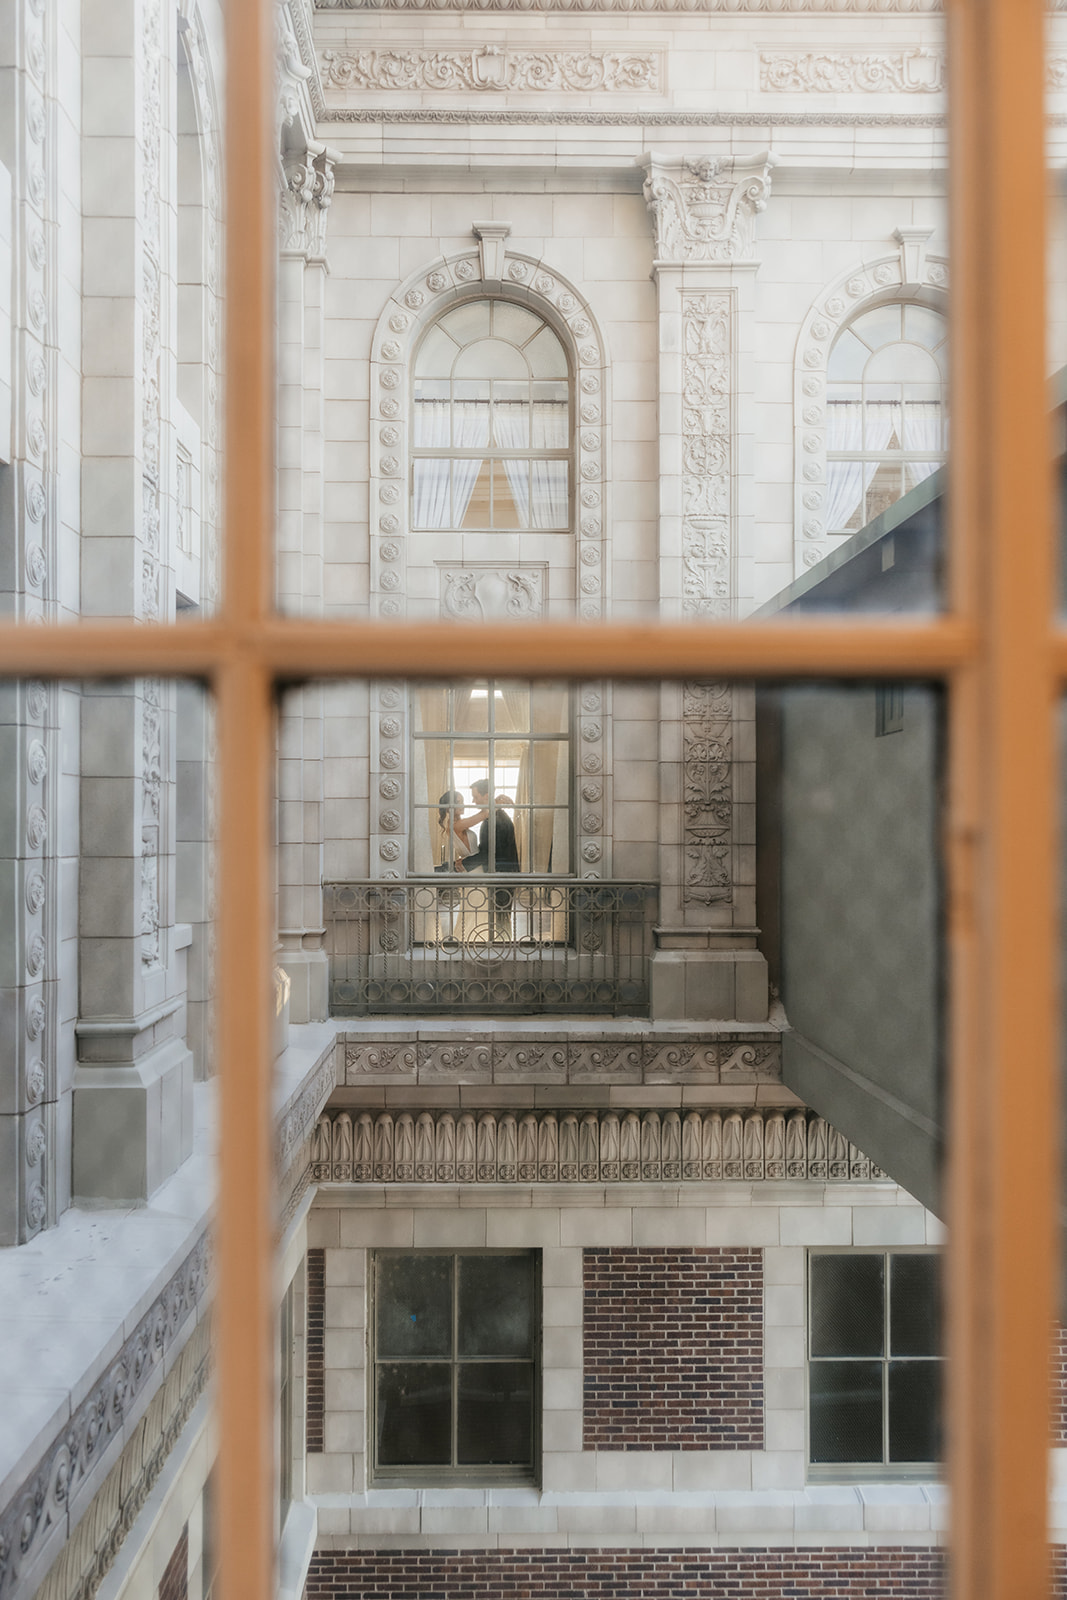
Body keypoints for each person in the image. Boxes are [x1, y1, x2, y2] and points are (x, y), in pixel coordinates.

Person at [458, 779, 520, 937]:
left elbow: (488, 853)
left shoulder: (496, 819)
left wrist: (463, 863)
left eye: (475, 796)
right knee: (500, 920)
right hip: (503, 875)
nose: (473, 800)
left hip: (501, 877)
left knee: (500, 921)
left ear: (486, 795)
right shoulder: (495, 815)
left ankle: (502, 952)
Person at [433, 789, 485, 872]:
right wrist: (496, 801)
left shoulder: (454, 825)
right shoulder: (456, 826)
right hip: (474, 869)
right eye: (458, 803)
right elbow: (485, 814)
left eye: (462, 802)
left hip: (470, 865)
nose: (462, 805)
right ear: (448, 808)